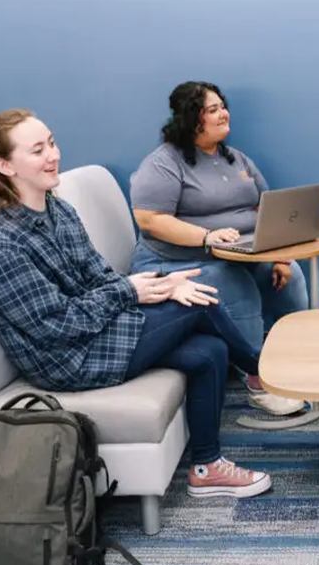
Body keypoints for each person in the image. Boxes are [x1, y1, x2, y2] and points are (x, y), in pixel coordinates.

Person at [0, 109, 273, 498]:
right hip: (66, 360)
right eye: (37, 150)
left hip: (95, 330)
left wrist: (157, 286)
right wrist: (132, 292)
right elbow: (56, 325)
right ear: (3, 164)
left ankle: (206, 468)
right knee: (200, 303)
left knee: (209, 348)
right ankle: (265, 373)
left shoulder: (57, 209)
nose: (53, 155)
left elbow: (98, 276)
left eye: (51, 142)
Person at [130, 81, 308, 417]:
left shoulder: (235, 158)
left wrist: (282, 255)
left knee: (292, 275)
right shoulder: (164, 162)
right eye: (212, 109)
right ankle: (259, 379)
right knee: (233, 283)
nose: (223, 113)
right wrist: (205, 237)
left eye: (222, 106)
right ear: (191, 119)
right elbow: (149, 219)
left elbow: (263, 209)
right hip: (176, 260)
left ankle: (299, 361)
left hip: (241, 252)